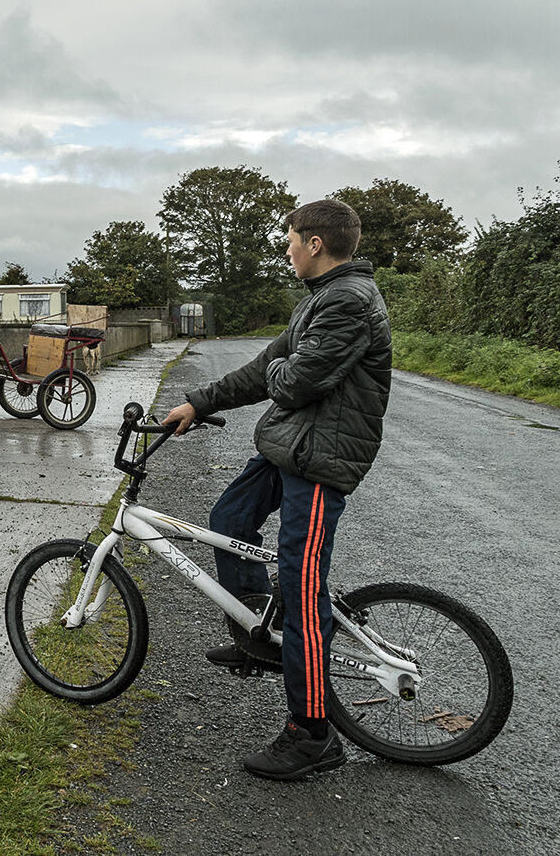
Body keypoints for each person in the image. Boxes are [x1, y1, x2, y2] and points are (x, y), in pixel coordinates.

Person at [161, 198, 391, 781]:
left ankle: (313, 734)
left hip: (320, 461)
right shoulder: (319, 298)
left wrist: (280, 371)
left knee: (302, 586)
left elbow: (295, 381)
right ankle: (259, 633)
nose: (285, 247)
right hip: (291, 446)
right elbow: (270, 366)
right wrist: (197, 402)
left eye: (290, 237)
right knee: (230, 520)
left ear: (315, 243)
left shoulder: (347, 301)